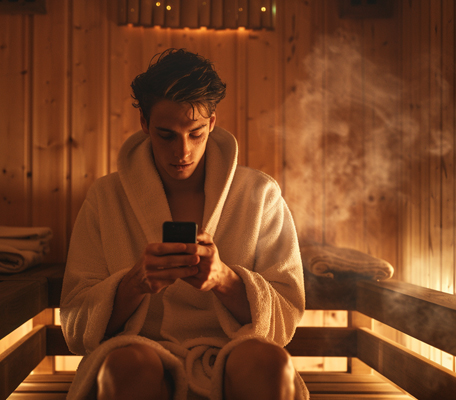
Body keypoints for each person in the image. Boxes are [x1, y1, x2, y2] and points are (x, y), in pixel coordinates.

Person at [60, 48, 308, 400]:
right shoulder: (106, 197)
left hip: (234, 354)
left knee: (272, 365)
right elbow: (75, 321)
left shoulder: (259, 194)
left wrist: (224, 279)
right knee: (126, 369)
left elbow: (286, 312)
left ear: (212, 123)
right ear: (144, 124)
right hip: (141, 352)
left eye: (195, 133)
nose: (183, 152)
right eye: (166, 135)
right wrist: (134, 284)